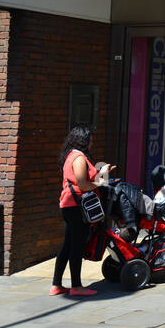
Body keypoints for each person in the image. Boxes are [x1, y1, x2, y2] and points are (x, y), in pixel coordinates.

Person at [52, 125, 112, 296]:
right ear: (83, 140)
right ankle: (76, 286)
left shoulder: (71, 155)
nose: (92, 142)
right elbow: (82, 184)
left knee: (67, 245)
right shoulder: (78, 157)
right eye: (90, 139)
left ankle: (56, 285)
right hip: (76, 206)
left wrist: (102, 173)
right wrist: (101, 182)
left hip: (70, 205)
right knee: (76, 246)